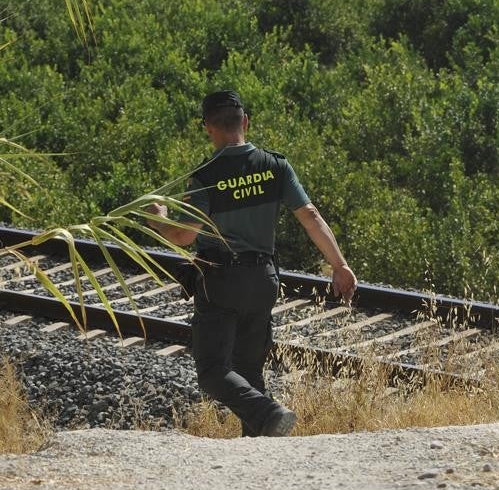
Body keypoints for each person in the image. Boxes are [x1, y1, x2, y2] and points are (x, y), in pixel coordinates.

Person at [146, 90, 357, 437]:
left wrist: (159, 218)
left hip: (221, 283)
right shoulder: (275, 166)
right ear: (245, 122)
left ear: (208, 127)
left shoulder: (205, 175)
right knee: (248, 370)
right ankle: (259, 443)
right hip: (263, 280)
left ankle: (268, 412)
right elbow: (310, 216)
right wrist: (339, 265)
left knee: (212, 371)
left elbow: (182, 236)